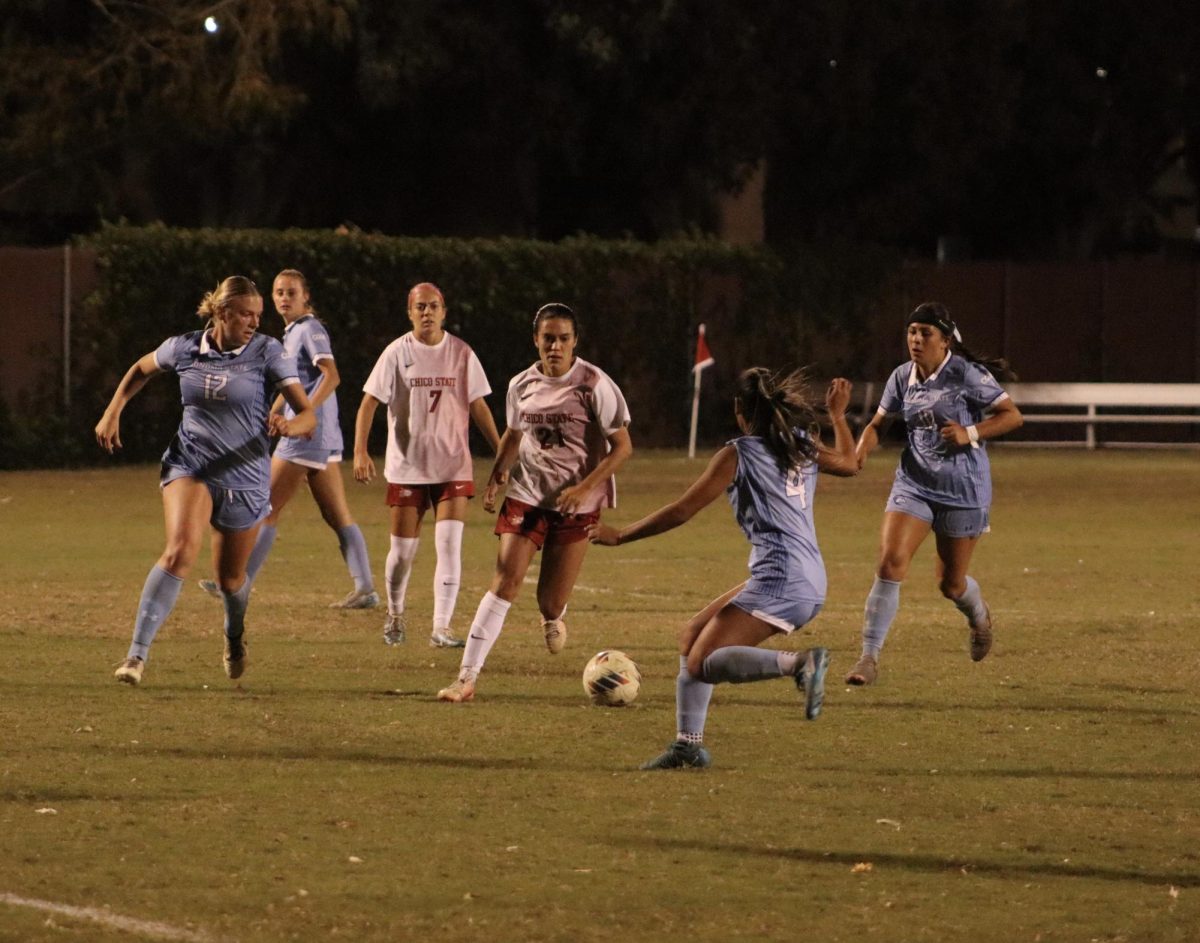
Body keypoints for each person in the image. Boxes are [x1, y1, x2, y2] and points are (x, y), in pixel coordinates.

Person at [589, 369, 858, 769]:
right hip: (804, 574)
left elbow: (683, 509)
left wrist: (621, 535)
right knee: (691, 638)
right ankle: (687, 747)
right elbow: (852, 463)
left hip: (783, 579)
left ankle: (799, 663)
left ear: (738, 410)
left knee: (702, 662)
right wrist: (837, 416)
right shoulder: (801, 443)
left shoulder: (738, 453)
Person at [96, 276, 316, 686]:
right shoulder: (184, 347)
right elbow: (140, 369)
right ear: (221, 313)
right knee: (179, 550)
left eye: (257, 315)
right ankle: (136, 655)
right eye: (245, 314)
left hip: (246, 477)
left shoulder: (268, 351)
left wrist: (290, 424)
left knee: (230, 581)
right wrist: (113, 411)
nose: (253, 322)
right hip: (191, 464)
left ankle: (234, 637)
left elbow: (308, 414)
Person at [436, 302, 633, 703]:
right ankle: (466, 678)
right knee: (505, 580)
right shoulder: (520, 384)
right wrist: (497, 476)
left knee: (550, 598)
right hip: (526, 496)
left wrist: (583, 488)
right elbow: (513, 434)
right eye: (548, 338)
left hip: (575, 505)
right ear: (536, 340)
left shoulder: (595, 384)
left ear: (575, 341)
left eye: (563, 339)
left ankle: (554, 615)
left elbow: (623, 447)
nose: (555, 346)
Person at [845, 302, 1024, 686]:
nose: (916, 339)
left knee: (951, 585)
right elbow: (877, 424)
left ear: (945, 340)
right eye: (912, 331)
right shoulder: (900, 377)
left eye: (925, 333)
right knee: (890, 562)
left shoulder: (967, 375)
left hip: (963, 490)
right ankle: (868, 658)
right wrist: (860, 450)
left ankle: (979, 617)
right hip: (914, 484)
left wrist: (970, 433)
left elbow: (1012, 415)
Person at [198, 269, 378, 608]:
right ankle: (365, 587)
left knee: (264, 506)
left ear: (305, 296)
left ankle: (238, 583)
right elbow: (291, 381)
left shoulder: (310, 329)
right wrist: (275, 408)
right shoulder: (292, 332)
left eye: (291, 292)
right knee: (336, 514)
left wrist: (304, 412)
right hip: (316, 432)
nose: (284, 298)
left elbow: (332, 375)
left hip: (307, 432)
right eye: (279, 292)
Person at [354, 282, 502, 648]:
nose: (427, 313)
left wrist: (501, 452)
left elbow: (479, 406)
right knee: (403, 553)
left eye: (433, 306)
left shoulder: (461, 353)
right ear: (409, 312)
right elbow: (369, 403)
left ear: (444, 311)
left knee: (450, 545)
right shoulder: (396, 353)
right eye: (420, 307)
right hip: (408, 468)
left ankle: (442, 627)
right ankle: (396, 612)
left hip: (453, 465)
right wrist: (359, 450)